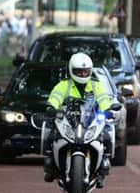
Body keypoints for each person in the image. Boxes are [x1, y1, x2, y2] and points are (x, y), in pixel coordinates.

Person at [43, 53, 113, 186]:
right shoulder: (64, 85)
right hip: (69, 119)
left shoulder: (95, 85)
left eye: (85, 72)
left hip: (89, 120)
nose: (82, 74)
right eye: (78, 72)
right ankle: (50, 167)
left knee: (107, 135)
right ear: (71, 70)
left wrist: (108, 109)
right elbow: (55, 97)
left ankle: (102, 170)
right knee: (51, 134)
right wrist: (51, 107)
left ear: (90, 71)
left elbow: (104, 99)